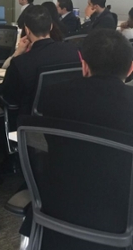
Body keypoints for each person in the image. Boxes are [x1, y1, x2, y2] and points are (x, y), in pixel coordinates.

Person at [19, 29, 133, 248]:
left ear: (84, 64)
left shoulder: (53, 96)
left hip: (57, 206)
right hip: (120, 217)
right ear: (130, 68)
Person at [0, 5, 80, 116]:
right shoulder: (73, 51)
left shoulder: (21, 62)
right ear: (51, 26)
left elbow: (9, 97)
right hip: (68, 116)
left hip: (32, 122)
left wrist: (17, 53)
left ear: (27, 30)